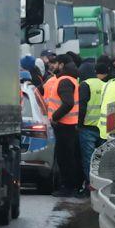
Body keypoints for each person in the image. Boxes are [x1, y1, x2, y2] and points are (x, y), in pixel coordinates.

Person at [44, 54, 82, 197]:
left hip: (64, 125)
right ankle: (70, 186)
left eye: (57, 63)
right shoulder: (71, 79)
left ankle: (68, 187)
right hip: (69, 125)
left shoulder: (64, 81)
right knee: (68, 157)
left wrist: (55, 117)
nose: (54, 66)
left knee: (65, 158)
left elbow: (68, 103)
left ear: (61, 65)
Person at [77, 60, 113, 192]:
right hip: (103, 128)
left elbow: (82, 107)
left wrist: (79, 125)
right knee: (101, 159)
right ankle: (103, 185)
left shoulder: (85, 85)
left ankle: (91, 185)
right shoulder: (107, 85)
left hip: (87, 128)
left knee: (89, 159)